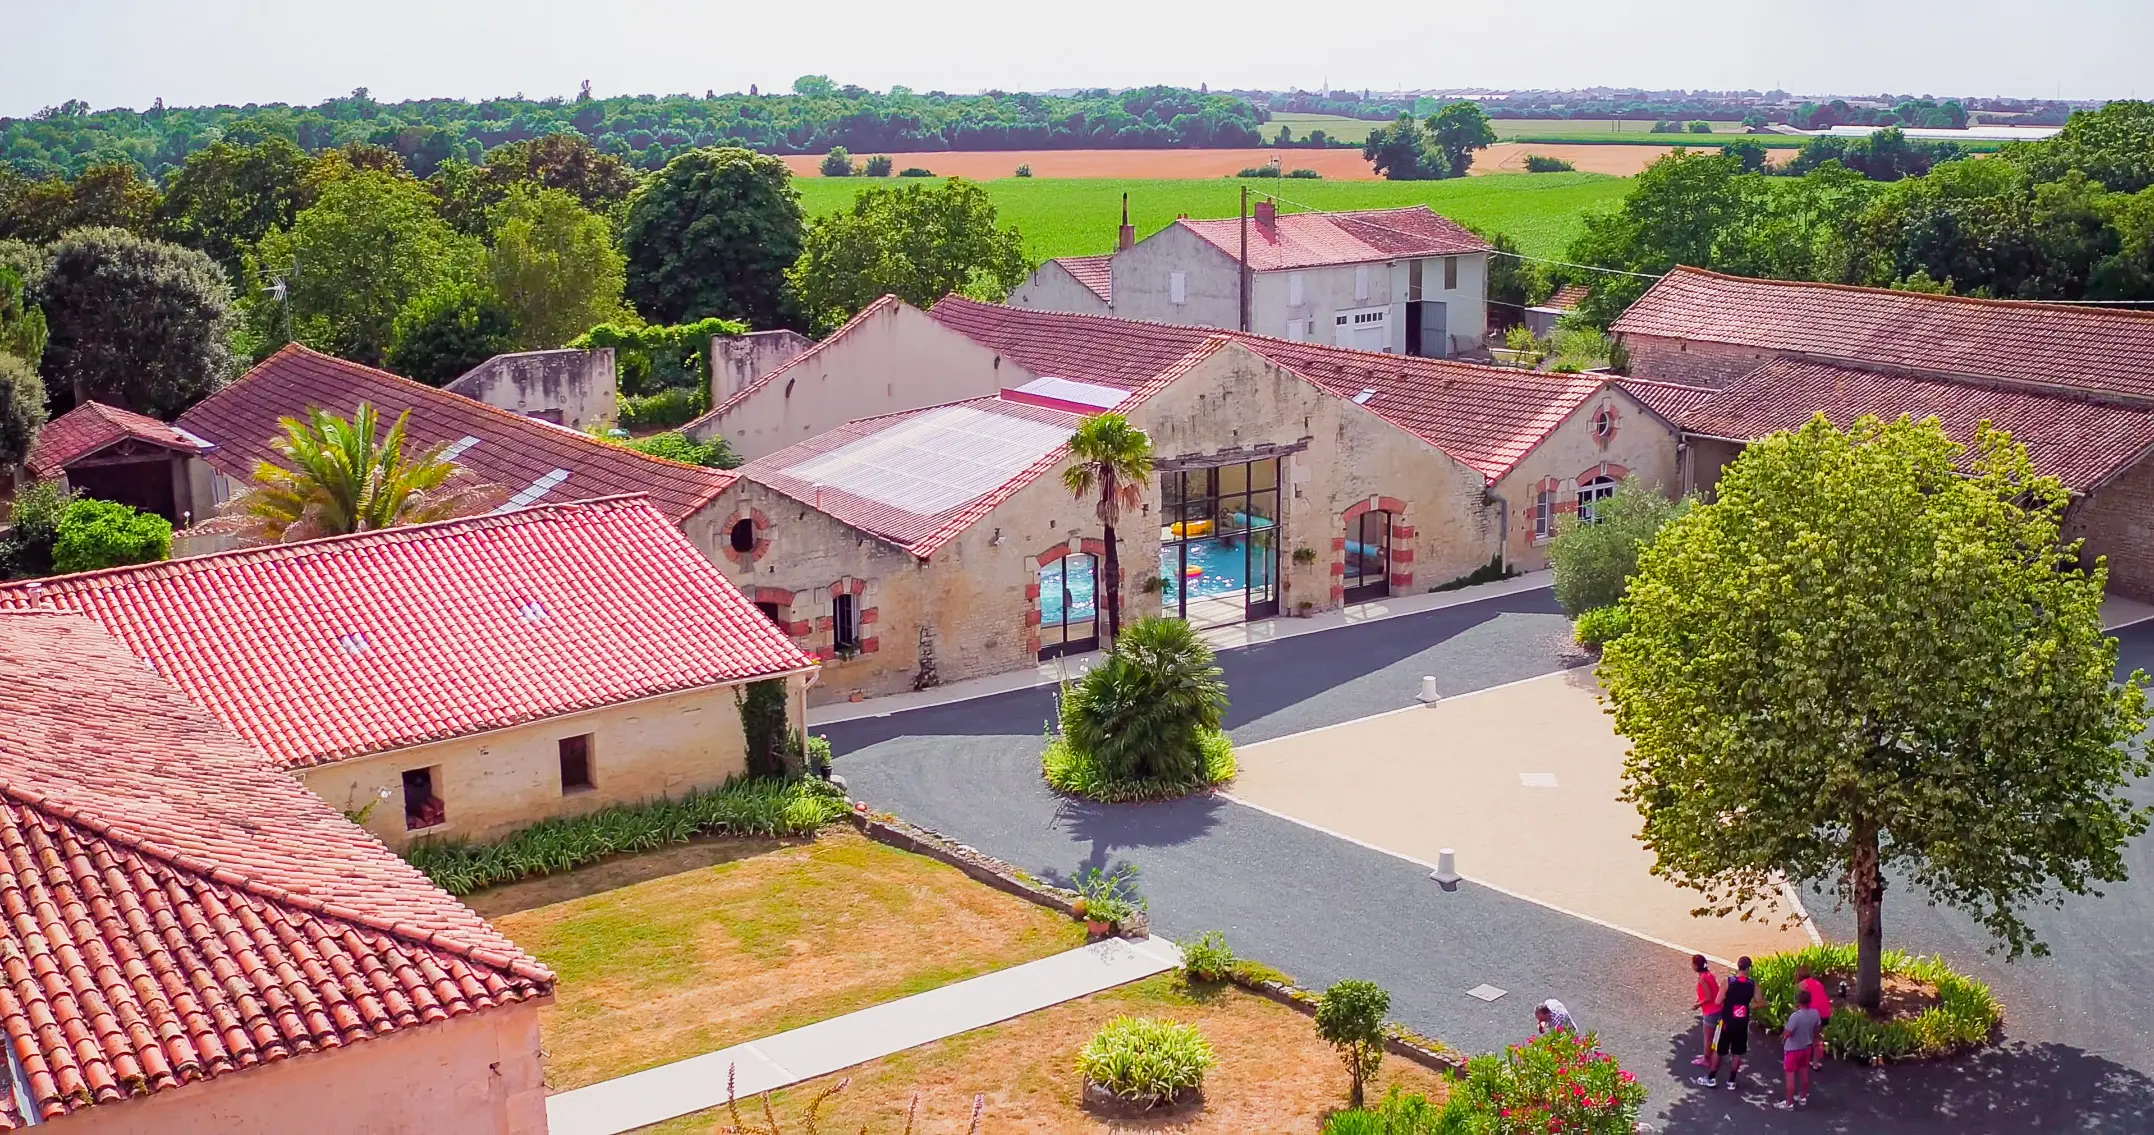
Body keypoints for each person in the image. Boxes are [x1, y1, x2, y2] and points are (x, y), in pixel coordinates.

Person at [1693, 955, 1755, 1091]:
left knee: (1719, 1050)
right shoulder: (1753, 984)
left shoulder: (1728, 981)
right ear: (1749, 968)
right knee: (1737, 1053)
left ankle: (1711, 1078)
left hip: (1727, 1021)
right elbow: (1760, 1002)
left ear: (1738, 966)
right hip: (1742, 1023)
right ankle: (1731, 1081)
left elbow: (1717, 1001)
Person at [1778, 987, 1824, 1109]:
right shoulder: (1815, 1013)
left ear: (1798, 1002)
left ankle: (1789, 1103)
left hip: (1793, 1050)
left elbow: (1788, 1033)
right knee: (1804, 1072)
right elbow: (1817, 1028)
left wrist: (1783, 1036)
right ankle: (1803, 1097)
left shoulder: (1795, 1016)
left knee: (1790, 1075)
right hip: (1806, 1048)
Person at [1796, 963, 1833, 1069]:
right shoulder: (1817, 983)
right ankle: (1815, 1063)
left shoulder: (1802, 985)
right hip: (1825, 1014)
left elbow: (1803, 1002)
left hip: (1813, 1014)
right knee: (1816, 1038)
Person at [1691, 955, 1721, 1066]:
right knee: (1713, 1036)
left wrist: (1698, 1004)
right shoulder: (1710, 975)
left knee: (1708, 1037)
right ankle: (1710, 1055)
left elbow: (1709, 997)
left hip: (1710, 1011)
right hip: (1718, 1009)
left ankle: (1706, 1059)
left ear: (1695, 966)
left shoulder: (1702, 978)